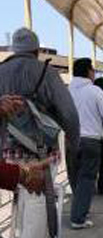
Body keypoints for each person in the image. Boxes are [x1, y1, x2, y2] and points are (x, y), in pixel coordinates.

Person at [0, 28, 80, 161]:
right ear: (37, 50)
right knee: (43, 175)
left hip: (8, 152)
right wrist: (73, 145)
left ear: (14, 49)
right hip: (42, 152)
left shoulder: (1, 71)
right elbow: (69, 113)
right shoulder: (48, 73)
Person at [67, 58, 103, 229]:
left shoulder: (66, 91)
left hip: (69, 140)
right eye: (93, 70)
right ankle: (78, 218)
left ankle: (79, 209)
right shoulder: (95, 91)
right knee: (87, 178)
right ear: (89, 72)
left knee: (74, 177)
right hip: (91, 140)